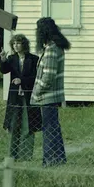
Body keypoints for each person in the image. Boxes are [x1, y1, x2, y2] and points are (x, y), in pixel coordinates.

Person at [30, 17, 70, 167]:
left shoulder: (52, 49)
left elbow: (48, 76)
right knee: (53, 127)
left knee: (49, 129)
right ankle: (59, 159)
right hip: (50, 96)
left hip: (47, 96)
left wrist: (38, 92)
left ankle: (49, 160)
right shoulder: (53, 47)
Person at [0, 34, 42, 161]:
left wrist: (21, 80)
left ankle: (26, 156)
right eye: (14, 44)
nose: (16, 46)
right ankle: (13, 155)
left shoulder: (33, 59)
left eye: (18, 43)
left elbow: (36, 77)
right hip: (15, 98)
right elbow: (4, 71)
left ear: (24, 44)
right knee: (14, 125)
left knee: (28, 125)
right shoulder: (11, 58)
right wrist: (3, 59)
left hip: (28, 96)